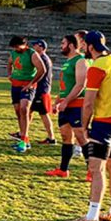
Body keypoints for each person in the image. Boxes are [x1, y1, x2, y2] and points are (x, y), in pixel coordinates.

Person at [67, 31, 111, 221]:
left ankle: (92, 217)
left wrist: (84, 127)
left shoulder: (97, 67)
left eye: (85, 45)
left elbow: (88, 103)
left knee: (96, 169)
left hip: (104, 123)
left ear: (90, 47)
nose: (84, 49)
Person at [45, 35, 90, 179]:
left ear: (71, 45)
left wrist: (66, 101)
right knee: (66, 136)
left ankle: (92, 171)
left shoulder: (80, 61)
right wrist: (57, 101)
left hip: (77, 105)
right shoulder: (68, 62)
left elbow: (80, 85)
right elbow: (66, 86)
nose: (60, 45)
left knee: (81, 137)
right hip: (65, 105)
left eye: (63, 43)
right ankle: (63, 170)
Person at [7, 36, 45, 153]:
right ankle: (24, 138)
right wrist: (10, 75)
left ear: (24, 44)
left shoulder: (31, 54)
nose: (16, 49)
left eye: (17, 46)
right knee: (18, 111)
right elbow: (9, 64)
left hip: (27, 86)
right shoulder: (13, 53)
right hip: (16, 85)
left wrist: (31, 83)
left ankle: (24, 139)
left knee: (24, 109)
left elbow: (42, 69)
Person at [30, 39, 56, 144]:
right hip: (41, 89)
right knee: (29, 111)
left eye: (35, 45)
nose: (33, 47)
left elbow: (40, 74)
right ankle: (23, 132)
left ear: (41, 47)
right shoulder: (45, 58)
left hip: (41, 90)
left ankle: (52, 138)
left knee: (44, 114)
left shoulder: (42, 59)